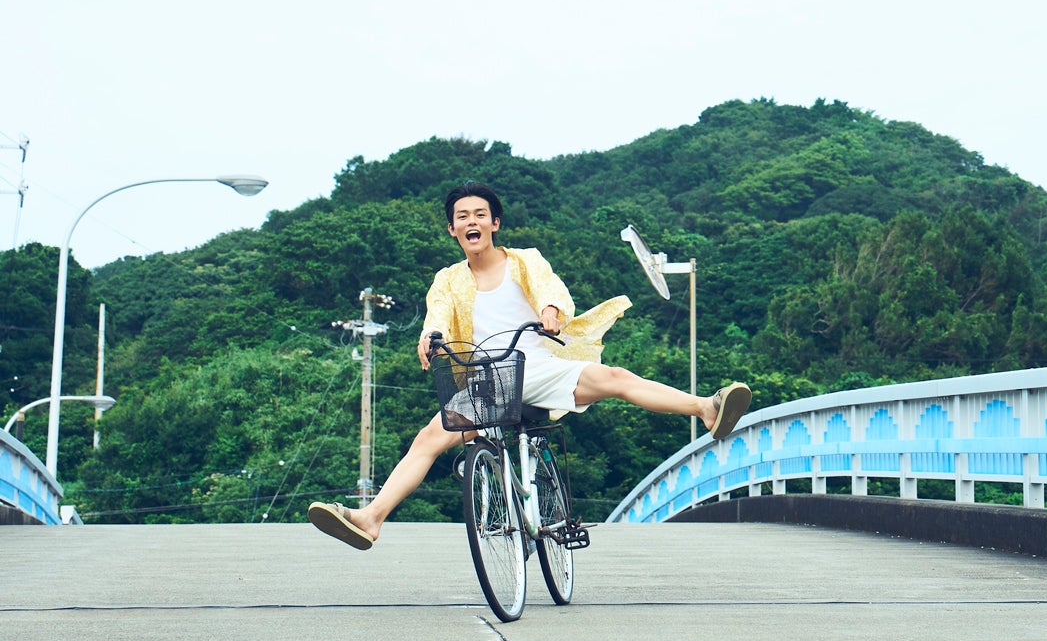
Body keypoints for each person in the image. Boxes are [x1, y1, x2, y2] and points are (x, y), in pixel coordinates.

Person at [308, 181, 751, 549]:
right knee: (427, 438)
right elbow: (437, 316)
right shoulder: (448, 278)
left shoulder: (525, 260)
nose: (472, 222)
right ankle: (371, 518)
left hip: (537, 366)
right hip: (486, 382)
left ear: (495, 223)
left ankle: (705, 408)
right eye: (462, 216)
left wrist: (552, 312)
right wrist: (429, 339)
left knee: (612, 377)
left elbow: (548, 288)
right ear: (452, 230)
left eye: (480, 214)